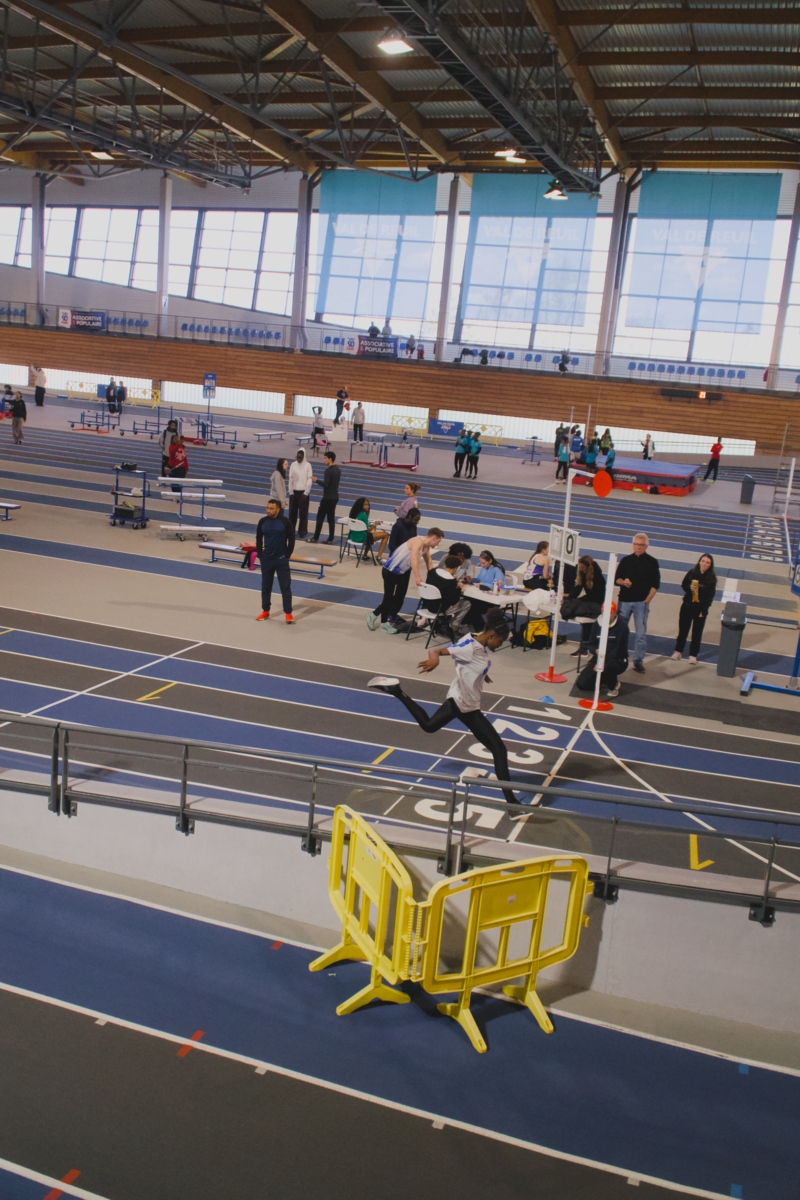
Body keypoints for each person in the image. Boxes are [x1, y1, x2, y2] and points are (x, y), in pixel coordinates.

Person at [368, 610, 524, 806]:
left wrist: (482, 674)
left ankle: (396, 690)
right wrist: (435, 660)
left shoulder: (478, 641)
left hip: (462, 701)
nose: (500, 646)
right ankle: (512, 805)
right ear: (492, 635)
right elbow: (437, 651)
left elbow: (473, 662)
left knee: (429, 725)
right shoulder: (469, 647)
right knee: (499, 750)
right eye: (500, 642)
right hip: (465, 705)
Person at [367, 527, 443, 634]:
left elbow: (429, 563)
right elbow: (413, 559)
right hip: (390, 570)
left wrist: (435, 578)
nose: (438, 544)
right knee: (388, 598)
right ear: (434, 538)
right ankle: (379, 620)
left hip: (400, 573)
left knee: (397, 597)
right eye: (438, 541)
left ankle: (377, 617)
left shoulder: (426, 548)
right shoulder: (418, 541)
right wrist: (417, 577)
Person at [615, 533, 661, 673]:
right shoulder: (626, 560)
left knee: (640, 634)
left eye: (641, 545)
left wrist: (648, 599)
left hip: (641, 603)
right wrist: (623, 582)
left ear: (646, 546)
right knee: (620, 630)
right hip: (624, 601)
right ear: (633, 545)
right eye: (636, 544)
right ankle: (618, 656)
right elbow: (617, 579)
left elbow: (656, 584)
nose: (638, 547)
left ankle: (638, 660)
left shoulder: (652, 562)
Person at [576, 603, 630, 699]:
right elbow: (590, 643)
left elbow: (618, 649)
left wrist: (603, 663)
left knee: (609, 667)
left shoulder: (622, 626)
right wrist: (595, 650)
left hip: (618, 659)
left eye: (610, 613)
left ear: (615, 613)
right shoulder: (597, 624)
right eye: (604, 612)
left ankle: (613, 686)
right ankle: (604, 679)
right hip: (599, 658)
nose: (606, 615)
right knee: (582, 684)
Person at [255, 498, 295, 625]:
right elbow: (258, 538)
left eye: (271, 509)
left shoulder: (285, 522)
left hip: (281, 560)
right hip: (267, 560)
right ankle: (265, 610)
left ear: (278, 509)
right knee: (266, 586)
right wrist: (260, 554)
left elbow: (292, 538)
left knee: (285, 587)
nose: (268, 510)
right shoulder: (263, 521)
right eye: (267, 508)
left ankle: (288, 613)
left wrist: (287, 555)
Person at [672, 554, 717, 664]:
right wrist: (690, 588)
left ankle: (693, 655)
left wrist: (704, 610)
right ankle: (678, 651)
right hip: (687, 606)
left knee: (697, 633)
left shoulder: (712, 579)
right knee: (683, 630)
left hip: (700, 610)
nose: (705, 564)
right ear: (699, 561)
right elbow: (684, 585)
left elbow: (710, 597)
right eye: (703, 561)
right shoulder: (692, 573)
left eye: (708, 562)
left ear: (710, 565)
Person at [566, 556, 606, 656]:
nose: (581, 569)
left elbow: (597, 596)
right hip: (590, 600)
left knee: (587, 624)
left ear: (588, 567)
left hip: (596, 604)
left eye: (583, 567)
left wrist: (582, 600)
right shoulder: (584, 574)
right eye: (580, 567)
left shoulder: (597, 577)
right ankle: (584, 649)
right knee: (585, 624)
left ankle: (585, 649)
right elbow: (578, 588)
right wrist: (569, 599)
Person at [464, 550, 506, 630]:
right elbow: (479, 579)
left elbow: (499, 585)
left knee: (473, 607)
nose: (481, 565)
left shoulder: (497, 570)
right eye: (480, 563)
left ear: (490, 561)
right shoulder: (483, 569)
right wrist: (471, 580)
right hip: (481, 596)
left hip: (491, 599)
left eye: (483, 563)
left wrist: (483, 584)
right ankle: (472, 625)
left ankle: (479, 628)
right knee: (468, 601)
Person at [309, 450, 340, 544]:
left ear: (330, 459)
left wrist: (316, 480)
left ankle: (315, 537)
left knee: (320, 518)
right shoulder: (338, 470)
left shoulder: (328, 471)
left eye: (325, 458)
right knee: (331, 518)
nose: (324, 460)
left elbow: (326, 485)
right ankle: (331, 538)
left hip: (327, 498)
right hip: (335, 497)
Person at [348, 497, 388, 561]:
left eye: (368, 505)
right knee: (386, 534)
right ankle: (379, 557)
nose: (367, 506)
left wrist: (371, 525)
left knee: (370, 534)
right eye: (365, 505)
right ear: (360, 506)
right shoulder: (364, 516)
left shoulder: (353, 515)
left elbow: (361, 526)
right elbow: (368, 530)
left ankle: (365, 555)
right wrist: (375, 524)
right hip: (362, 538)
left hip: (352, 537)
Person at [288, 449, 313, 538]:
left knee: (303, 514)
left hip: (303, 493)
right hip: (294, 492)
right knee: (292, 513)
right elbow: (290, 478)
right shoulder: (293, 465)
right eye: (297, 457)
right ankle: (290, 530)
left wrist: (306, 492)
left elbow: (309, 479)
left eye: (300, 457)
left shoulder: (308, 465)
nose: (298, 459)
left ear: (304, 457)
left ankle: (302, 531)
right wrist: (290, 492)